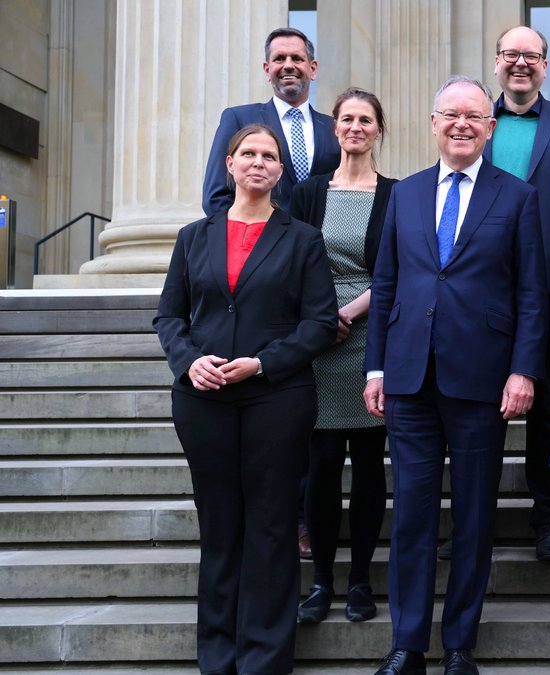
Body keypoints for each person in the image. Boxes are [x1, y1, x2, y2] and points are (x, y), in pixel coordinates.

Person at [364, 75, 547, 675]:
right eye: (451, 115)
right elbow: (387, 284)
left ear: (489, 128)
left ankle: (460, 644)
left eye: (474, 115)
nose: (462, 124)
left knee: (473, 515)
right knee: (413, 514)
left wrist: (524, 370)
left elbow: (531, 293)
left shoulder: (518, 196)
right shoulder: (406, 195)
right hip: (411, 378)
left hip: (483, 380)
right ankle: (408, 643)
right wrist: (376, 365)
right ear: (434, 124)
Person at [154, 123, 338, 673]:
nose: (258, 162)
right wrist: (189, 362)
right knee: (219, 526)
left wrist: (263, 362)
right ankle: (218, 656)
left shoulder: (302, 238)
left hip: (275, 398)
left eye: (269, 156)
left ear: (281, 172)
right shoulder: (193, 236)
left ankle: (263, 657)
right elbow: (169, 316)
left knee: (271, 525)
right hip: (204, 399)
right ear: (229, 165)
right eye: (248, 154)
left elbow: (321, 322)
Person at [473, 25, 550, 563]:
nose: (520, 63)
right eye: (510, 55)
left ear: (546, 65)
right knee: (475, 408)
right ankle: (474, 522)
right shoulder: (474, 121)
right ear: (497, 63)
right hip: (476, 291)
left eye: (531, 56)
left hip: (544, 292)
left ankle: (549, 516)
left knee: (547, 407)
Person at [289, 88, 397, 625]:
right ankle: (321, 582)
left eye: (366, 120)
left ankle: (360, 582)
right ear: (335, 129)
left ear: (379, 130)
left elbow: (398, 270)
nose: (356, 127)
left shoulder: (396, 194)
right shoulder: (308, 194)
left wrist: (347, 314)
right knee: (323, 468)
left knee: (370, 470)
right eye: (347, 119)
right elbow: (289, 259)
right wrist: (319, 319)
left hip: (370, 338)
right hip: (317, 342)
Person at [202, 27, 340, 217]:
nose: (288, 65)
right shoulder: (238, 119)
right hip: (259, 243)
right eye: (279, 58)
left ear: (313, 69)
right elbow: (215, 198)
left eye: (297, 58)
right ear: (267, 70)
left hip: (318, 244)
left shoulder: (335, 129)